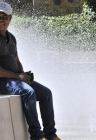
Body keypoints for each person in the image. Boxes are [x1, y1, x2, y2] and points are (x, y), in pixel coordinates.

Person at [0, 2, 60, 140]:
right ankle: (37, 136)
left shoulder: (12, 38)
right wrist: (17, 76)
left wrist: (24, 74)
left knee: (46, 93)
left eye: (5, 16)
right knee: (27, 91)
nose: (1, 20)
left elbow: (16, 60)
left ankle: (51, 135)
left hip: (13, 79)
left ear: (10, 18)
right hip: (3, 81)